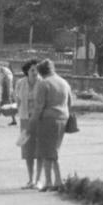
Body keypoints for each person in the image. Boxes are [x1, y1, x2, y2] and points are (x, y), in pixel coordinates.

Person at [30, 58, 72, 191]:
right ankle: (58, 180)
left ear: (41, 72)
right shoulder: (64, 82)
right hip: (63, 117)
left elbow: (39, 107)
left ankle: (49, 182)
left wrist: (32, 122)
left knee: (46, 151)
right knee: (54, 150)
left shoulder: (44, 84)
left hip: (48, 119)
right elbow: (70, 102)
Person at [16, 59, 40, 187]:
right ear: (27, 72)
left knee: (40, 149)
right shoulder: (20, 83)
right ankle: (30, 179)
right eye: (32, 70)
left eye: (37, 69)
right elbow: (17, 99)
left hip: (39, 120)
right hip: (25, 119)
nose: (35, 72)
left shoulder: (42, 83)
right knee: (28, 151)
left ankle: (39, 179)